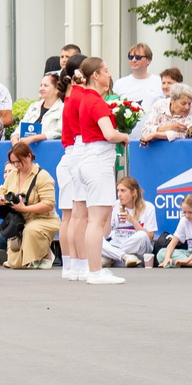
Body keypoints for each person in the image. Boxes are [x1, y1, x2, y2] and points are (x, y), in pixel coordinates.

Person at [59, 56, 124, 284]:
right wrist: (124, 135)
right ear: (94, 75)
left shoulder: (83, 97)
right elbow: (109, 134)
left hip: (87, 156)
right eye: (105, 70)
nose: (109, 74)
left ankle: (84, 267)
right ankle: (93, 270)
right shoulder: (92, 100)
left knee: (85, 217)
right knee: (94, 219)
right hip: (95, 158)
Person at [0, 140, 58, 269]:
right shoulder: (12, 175)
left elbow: (48, 204)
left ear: (29, 156)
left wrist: (25, 208)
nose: (16, 165)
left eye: (19, 161)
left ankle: (45, 253)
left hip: (43, 219)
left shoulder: (43, 176)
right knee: (16, 264)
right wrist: (0, 198)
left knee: (31, 230)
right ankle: (32, 255)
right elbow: (2, 192)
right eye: (13, 162)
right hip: (19, 221)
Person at [104, 174, 155, 267]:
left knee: (142, 235)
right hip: (118, 248)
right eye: (118, 190)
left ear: (134, 192)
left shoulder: (148, 207)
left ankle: (113, 256)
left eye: (123, 191)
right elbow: (105, 234)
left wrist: (133, 221)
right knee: (97, 238)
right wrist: (108, 215)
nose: (119, 195)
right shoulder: (115, 205)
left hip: (138, 253)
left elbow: (150, 237)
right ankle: (123, 256)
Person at [112, 44, 165, 115]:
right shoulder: (119, 84)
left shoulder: (160, 82)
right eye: (131, 57)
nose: (133, 60)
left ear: (148, 60)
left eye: (138, 57)